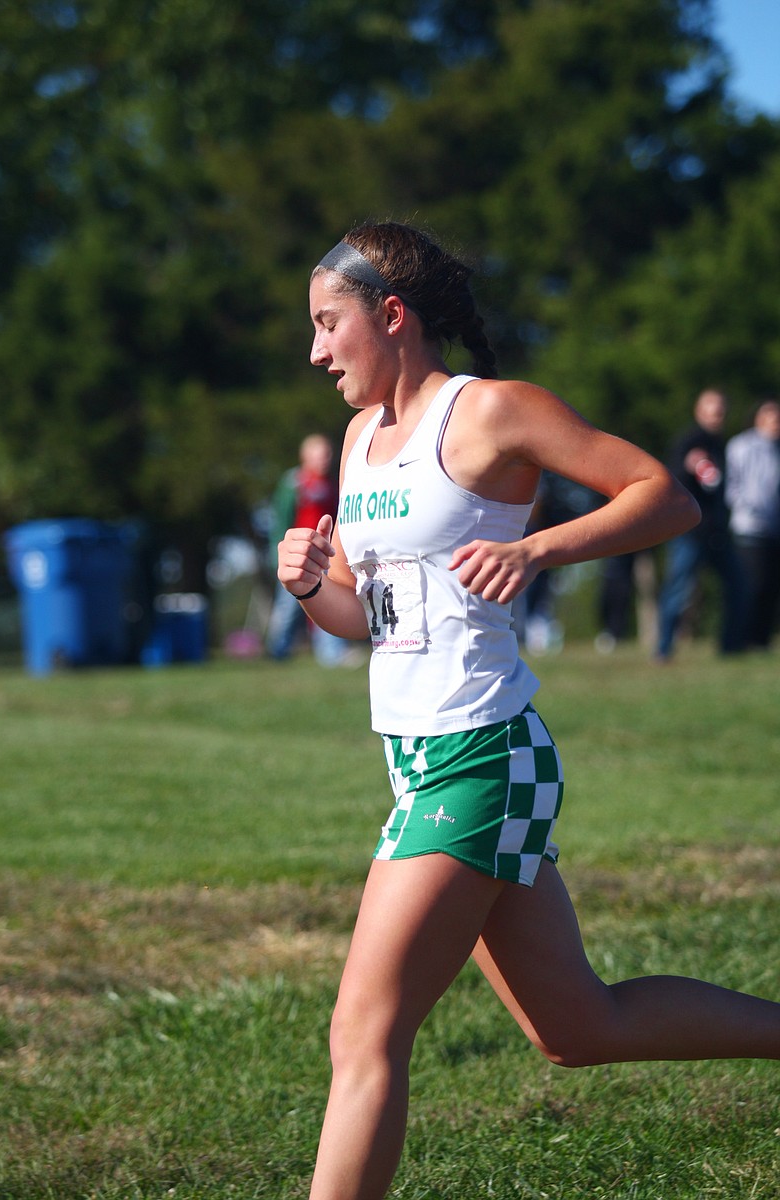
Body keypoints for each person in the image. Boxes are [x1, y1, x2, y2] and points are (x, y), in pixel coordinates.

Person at [275, 222, 780, 1200]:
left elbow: (662, 497)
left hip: (482, 754)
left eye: (326, 324)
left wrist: (537, 551)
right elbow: (358, 617)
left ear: (390, 315)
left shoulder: (490, 413)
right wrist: (306, 587)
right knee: (575, 1030)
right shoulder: (357, 439)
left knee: (363, 1033)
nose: (314, 350)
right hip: (420, 761)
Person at [655, 388, 744, 660]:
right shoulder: (691, 440)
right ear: (699, 412)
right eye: (712, 410)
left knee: (738, 585)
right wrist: (692, 466)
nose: (717, 415)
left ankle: (730, 647)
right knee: (678, 590)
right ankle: (663, 651)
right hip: (690, 533)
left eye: (721, 410)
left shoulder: (721, 443)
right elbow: (675, 477)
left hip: (716, 532)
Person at [265, 433, 358, 666]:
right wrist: (278, 553)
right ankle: (278, 650)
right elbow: (281, 519)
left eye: (327, 454)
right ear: (305, 456)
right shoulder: (293, 483)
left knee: (325, 600)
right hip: (296, 554)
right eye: (319, 454)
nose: (325, 459)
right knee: (287, 606)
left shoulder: (331, 484)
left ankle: (331, 654)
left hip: (324, 554)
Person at [726, 398, 780, 649]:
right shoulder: (741, 446)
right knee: (753, 586)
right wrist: (748, 507)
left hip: (773, 528)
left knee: (770, 587)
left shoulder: (775, 449)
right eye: (771, 416)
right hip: (748, 527)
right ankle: (743, 639)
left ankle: (761, 640)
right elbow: (732, 486)